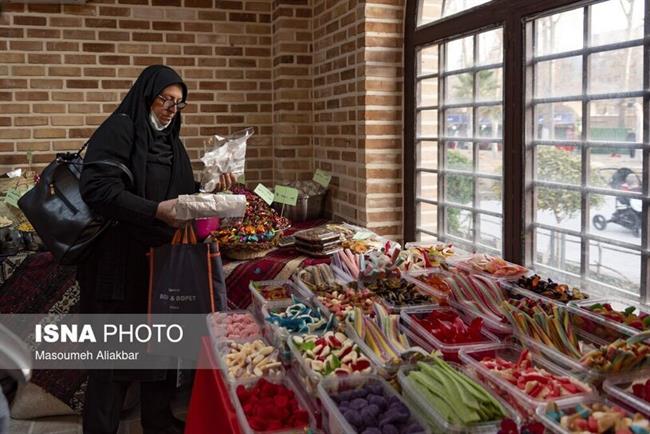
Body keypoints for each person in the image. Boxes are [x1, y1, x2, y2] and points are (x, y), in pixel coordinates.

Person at [78, 65, 235, 434]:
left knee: (160, 349)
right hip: (116, 266)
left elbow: (177, 193)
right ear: (146, 95)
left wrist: (210, 191)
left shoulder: (171, 142)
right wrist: (154, 211)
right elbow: (97, 189)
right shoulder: (120, 129)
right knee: (112, 363)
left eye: (178, 103)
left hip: (156, 265)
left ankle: (158, 422)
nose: (170, 109)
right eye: (165, 99)